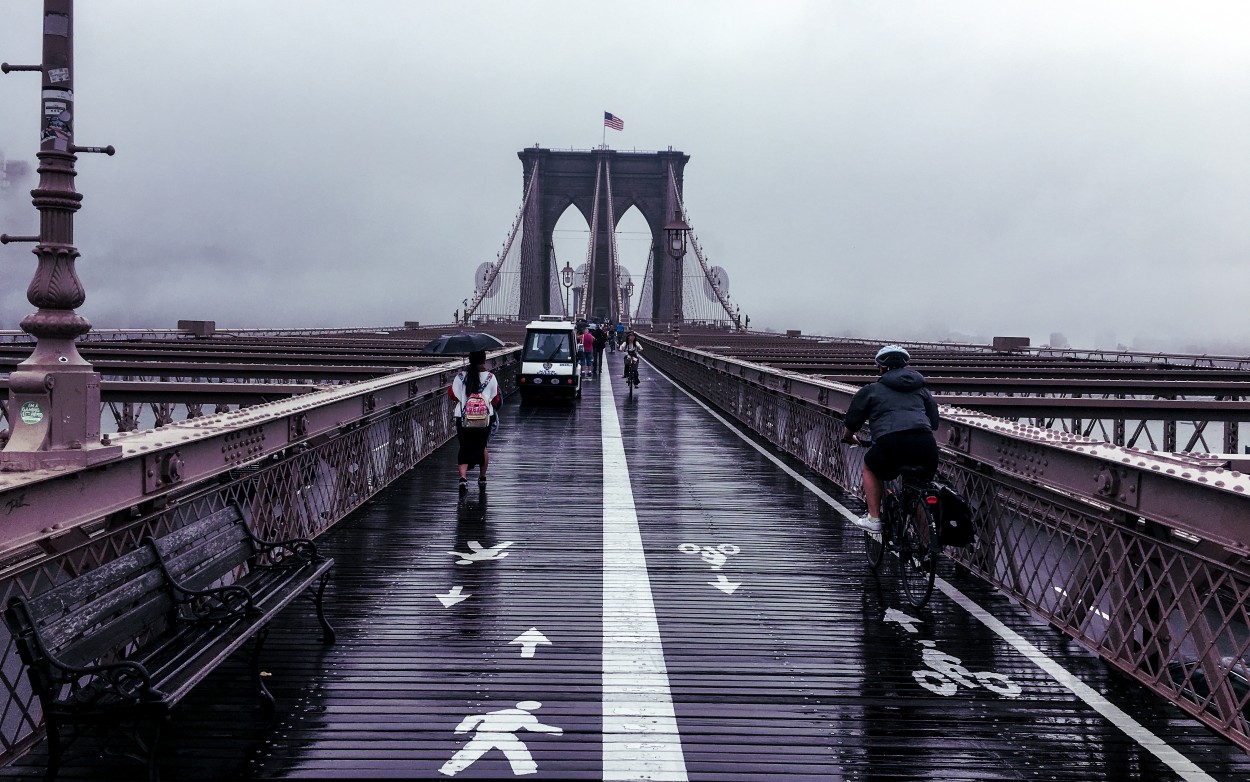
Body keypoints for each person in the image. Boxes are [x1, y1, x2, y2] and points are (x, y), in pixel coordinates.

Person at [840, 345, 940, 533]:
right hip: (925, 444)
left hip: (891, 444)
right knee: (921, 486)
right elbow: (934, 422)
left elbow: (852, 421)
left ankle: (874, 518)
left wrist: (848, 437)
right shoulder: (922, 389)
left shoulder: (871, 390)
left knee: (870, 467)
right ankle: (927, 547)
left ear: (880, 367)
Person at [448, 350, 502, 493]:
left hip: (463, 417)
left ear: (470, 359)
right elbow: (496, 398)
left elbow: (452, 395)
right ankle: (482, 476)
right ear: (484, 360)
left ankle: (463, 478)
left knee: (464, 446)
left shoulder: (460, 377)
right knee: (482, 446)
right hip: (484, 418)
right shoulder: (491, 377)